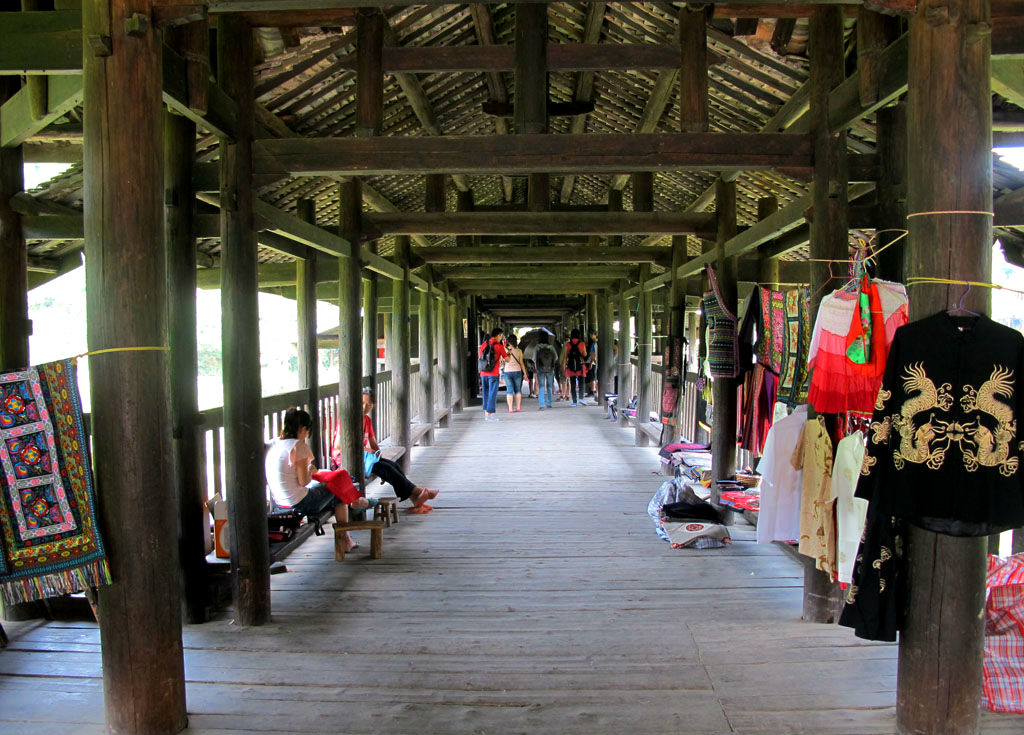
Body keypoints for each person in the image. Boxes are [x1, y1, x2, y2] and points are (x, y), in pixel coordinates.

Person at [266, 407, 371, 553]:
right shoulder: (298, 446)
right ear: (302, 428)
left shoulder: (276, 443)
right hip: (301, 503)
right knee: (337, 489)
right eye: (307, 431)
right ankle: (350, 523)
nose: (307, 435)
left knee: (333, 493)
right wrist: (310, 471)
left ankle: (355, 509)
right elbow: (304, 482)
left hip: (280, 503)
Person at [336, 388, 438, 511]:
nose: (364, 407)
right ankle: (418, 492)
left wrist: (379, 456)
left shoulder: (366, 420)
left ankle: (415, 498)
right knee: (387, 469)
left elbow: (373, 443)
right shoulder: (348, 420)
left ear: (373, 405)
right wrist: (366, 449)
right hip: (345, 461)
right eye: (362, 403)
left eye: (369, 405)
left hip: (363, 459)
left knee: (393, 466)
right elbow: (339, 446)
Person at [478, 327, 508, 421]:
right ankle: (489, 414)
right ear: (498, 335)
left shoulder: (484, 344)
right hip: (493, 373)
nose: (501, 338)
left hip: (483, 372)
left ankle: (486, 413)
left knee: (485, 392)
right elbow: (507, 359)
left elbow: (480, 356)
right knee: (492, 393)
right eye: (501, 336)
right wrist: (508, 353)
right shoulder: (499, 346)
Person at [561, 328, 589, 406]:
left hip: (571, 366)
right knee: (582, 382)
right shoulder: (582, 343)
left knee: (573, 383)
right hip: (581, 365)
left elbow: (565, 356)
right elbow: (585, 354)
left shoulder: (567, 344)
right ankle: (581, 398)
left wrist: (564, 367)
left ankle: (574, 402)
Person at [502, 333, 527, 413]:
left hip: (507, 372)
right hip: (517, 371)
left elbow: (501, 361)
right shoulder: (519, 351)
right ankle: (518, 407)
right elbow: (522, 363)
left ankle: (510, 409)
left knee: (509, 390)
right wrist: (525, 373)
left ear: (508, 341)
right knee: (517, 390)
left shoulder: (505, 350)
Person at [533, 333, 559, 409]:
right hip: (550, 369)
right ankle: (549, 403)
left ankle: (541, 405)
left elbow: (534, 358)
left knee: (541, 386)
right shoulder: (551, 347)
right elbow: (556, 357)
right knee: (549, 386)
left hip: (540, 369)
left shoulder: (537, 347)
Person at [584, 329, 599, 401]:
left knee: (592, 377)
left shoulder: (594, 343)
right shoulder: (595, 343)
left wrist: (591, 363)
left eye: (591, 334)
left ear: (595, 335)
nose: (590, 336)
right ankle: (593, 390)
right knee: (591, 377)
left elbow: (593, 354)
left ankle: (593, 391)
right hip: (593, 361)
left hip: (592, 362)